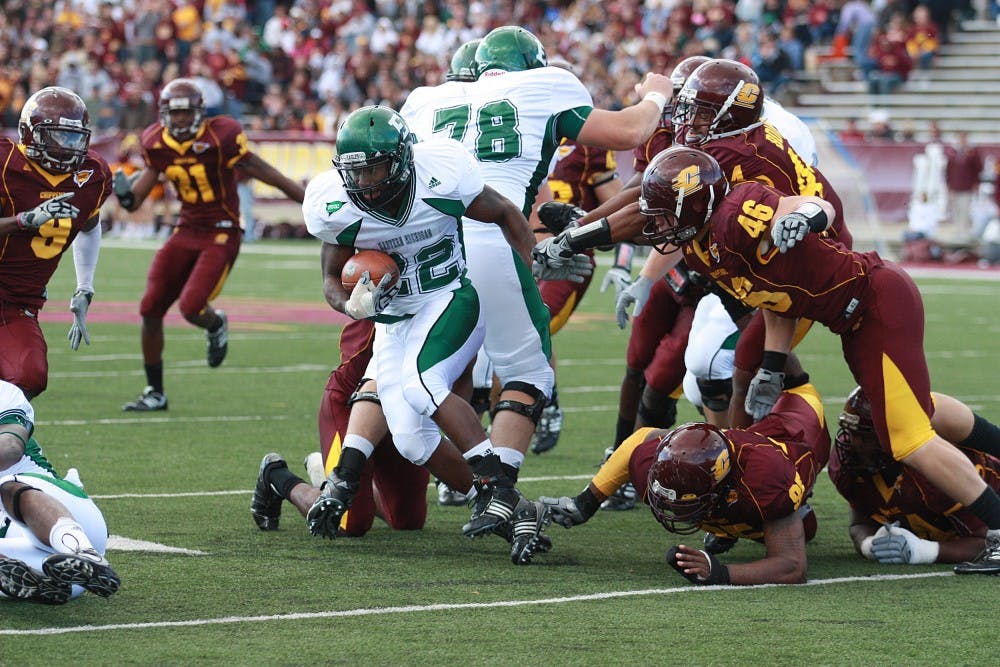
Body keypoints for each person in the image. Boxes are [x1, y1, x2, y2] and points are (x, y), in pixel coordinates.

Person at [535, 145, 1000, 574]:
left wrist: (806, 217)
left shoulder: (734, 213)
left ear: (693, 207)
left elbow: (813, 204)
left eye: (665, 214)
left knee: (908, 438)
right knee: (889, 413)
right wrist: (774, 364)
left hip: (877, 301)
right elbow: (777, 298)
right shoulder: (700, 246)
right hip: (848, 317)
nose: (655, 225)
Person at [399, 26, 672, 527]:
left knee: (427, 374)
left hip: (425, 249)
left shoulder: (425, 99)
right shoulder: (546, 85)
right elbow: (631, 131)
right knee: (528, 373)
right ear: (532, 65)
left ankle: (384, 470)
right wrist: (656, 94)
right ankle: (498, 493)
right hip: (490, 239)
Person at [298, 105, 554, 565]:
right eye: (356, 171)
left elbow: (506, 213)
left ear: (401, 161)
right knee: (411, 439)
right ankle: (520, 512)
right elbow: (331, 281)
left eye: (374, 168)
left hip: (449, 298)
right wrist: (351, 306)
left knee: (421, 385)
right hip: (395, 319)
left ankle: (496, 487)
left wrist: (529, 276)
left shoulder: (439, 177)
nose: (364, 182)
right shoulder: (337, 206)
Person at [116, 78, 305, 411]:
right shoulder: (156, 142)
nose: (180, 120)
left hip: (222, 230)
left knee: (191, 307)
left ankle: (215, 323)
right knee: (149, 308)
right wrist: (125, 195)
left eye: (186, 114)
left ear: (200, 113)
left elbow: (268, 174)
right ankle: (155, 392)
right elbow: (136, 200)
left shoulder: (221, 135)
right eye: (174, 114)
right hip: (186, 229)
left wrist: (310, 203)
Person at [539, 375, 830, 585]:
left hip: (799, 427)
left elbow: (792, 567)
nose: (672, 508)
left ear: (724, 487)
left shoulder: (766, 480)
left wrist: (720, 572)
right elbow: (641, 439)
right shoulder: (656, 462)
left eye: (687, 500)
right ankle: (734, 525)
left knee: (796, 526)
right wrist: (586, 502)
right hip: (740, 465)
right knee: (769, 522)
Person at [0, 86, 110, 399]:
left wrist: (84, 287)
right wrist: (22, 220)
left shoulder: (92, 175)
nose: (67, 148)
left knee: (29, 377)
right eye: (57, 137)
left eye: (74, 138)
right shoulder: (6, 164)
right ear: (29, 133)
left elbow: (89, 226)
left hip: (19, 302)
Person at [831, 387, 1000, 571]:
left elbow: (987, 542)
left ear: (893, 434)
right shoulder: (849, 465)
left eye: (866, 437)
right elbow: (860, 523)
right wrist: (869, 544)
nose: (855, 444)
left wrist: (924, 551)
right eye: (852, 433)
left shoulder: (935, 471)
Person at [0, 379, 120, 604]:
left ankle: (85, 554)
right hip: (33, 556)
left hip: (66, 517)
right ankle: (41, 581)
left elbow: (10, 448)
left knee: (7, 487)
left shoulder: (4, 391)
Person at [943, 131, 984, 240]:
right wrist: (948, 184)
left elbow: (978, 169)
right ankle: (958, 230)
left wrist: (976, 183)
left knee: (965, 209)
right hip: (954, 186)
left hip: (967, 186)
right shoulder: (952, 152)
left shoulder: (972, 152)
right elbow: (947, 170)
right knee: (956, 209)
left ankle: (965, 230)